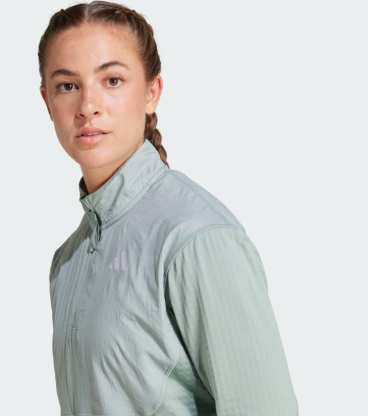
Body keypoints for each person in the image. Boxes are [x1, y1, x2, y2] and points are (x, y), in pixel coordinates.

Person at [38, 2, 299, 415]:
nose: (88, 105)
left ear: (152, 92)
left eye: (112, 80)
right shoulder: (67, 261)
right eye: (67, 86)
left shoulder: (198, 240)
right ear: (47, 101)